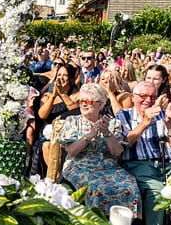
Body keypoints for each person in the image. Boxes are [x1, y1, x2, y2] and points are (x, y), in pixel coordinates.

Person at [116, 81, 171, 225]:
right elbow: (121, 145)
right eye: (143, 96)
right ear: (133, 98)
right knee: (157, 193)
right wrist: (145, 122)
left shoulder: (162, 115)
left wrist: (169, 123)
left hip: (164, 165)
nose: (147, 100)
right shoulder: (122, 116)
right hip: (138, 165)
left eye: (152, 97)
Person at [56, 84, 140, 217]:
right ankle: (95, 224)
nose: (83, 104)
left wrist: (107, 133)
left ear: (100, 105)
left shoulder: (112, 124)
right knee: (97, 187)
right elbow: (71, 151)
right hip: (79, 166)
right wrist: (90, 135)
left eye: (88, 101)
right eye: (81, 101)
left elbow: (117, 152)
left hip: (109, 167)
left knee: (129, 186)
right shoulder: (72, 121)